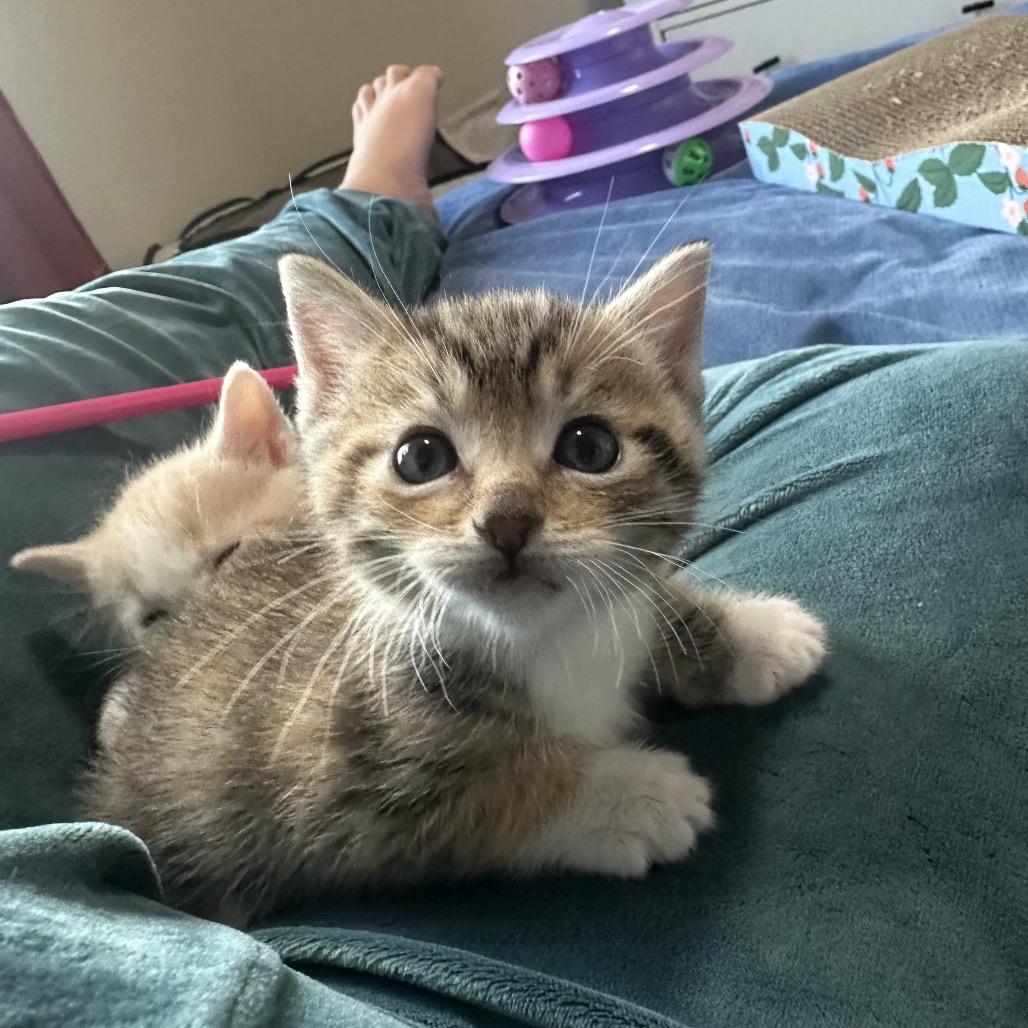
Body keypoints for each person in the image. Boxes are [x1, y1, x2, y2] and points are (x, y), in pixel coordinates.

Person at [0, 67, 1024, 1028]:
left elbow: (623, 594)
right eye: (423, 455)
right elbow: (361, 816)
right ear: (323, 423)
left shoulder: (605, 565)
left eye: (584, 447)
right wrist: (561, 805)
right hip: (218, 863)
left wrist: (698, 639)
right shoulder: (389, 699)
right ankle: (372, 205)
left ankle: (371, 202)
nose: (503, 512)